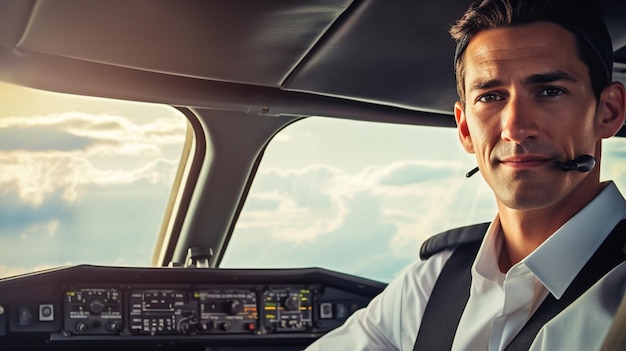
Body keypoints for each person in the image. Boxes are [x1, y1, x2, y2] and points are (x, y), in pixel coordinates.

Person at [304, 0, 626, 350]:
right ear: (465, 130)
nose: (515, 129)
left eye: (550, 92)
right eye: (490, 97)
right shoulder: (430, 283)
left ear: (608, 112)